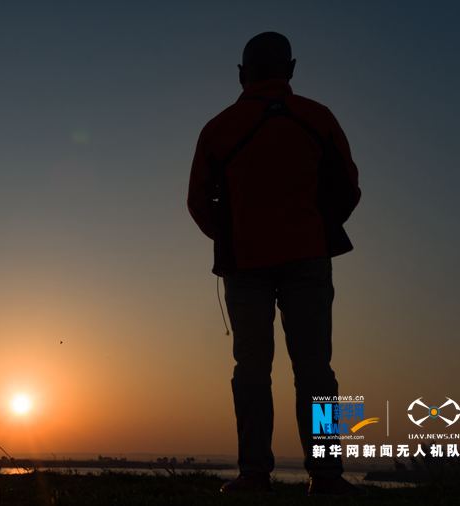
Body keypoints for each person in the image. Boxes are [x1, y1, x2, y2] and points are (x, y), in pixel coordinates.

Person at [187, 32, 362, 495]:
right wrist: (314, 230)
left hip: (245, 265)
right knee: (316, 369)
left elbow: (197, 202)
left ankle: (253, 475)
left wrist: (233, 237)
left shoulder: (219, 127)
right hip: (308, 258)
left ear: (242, 74)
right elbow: (349, 188)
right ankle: (326, 477)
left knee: (250, 368)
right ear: (291, 69)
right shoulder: (317, 118)